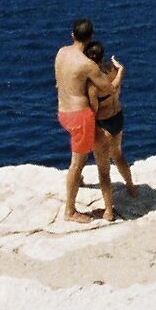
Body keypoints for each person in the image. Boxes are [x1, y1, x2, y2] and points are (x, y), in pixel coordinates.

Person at [53, 19, 119, 222]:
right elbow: (107, 88)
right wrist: (118, 72)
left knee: (80, 155)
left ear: (72, 35)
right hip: (80, 117)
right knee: (77, 163)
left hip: (63, 112)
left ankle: (78, 182)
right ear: (90, 37)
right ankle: (70, 211)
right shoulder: (87, 65)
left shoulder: (62, 52)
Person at [84, 39, 137, 199]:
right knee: (118, 154)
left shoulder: (93, 82)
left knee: (103, 168)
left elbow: (93, 110)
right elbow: (115, 86)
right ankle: (131, 187)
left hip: (103, 123)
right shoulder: (114, 69)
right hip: (117, 118)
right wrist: (121, 69)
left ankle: (108, 209)